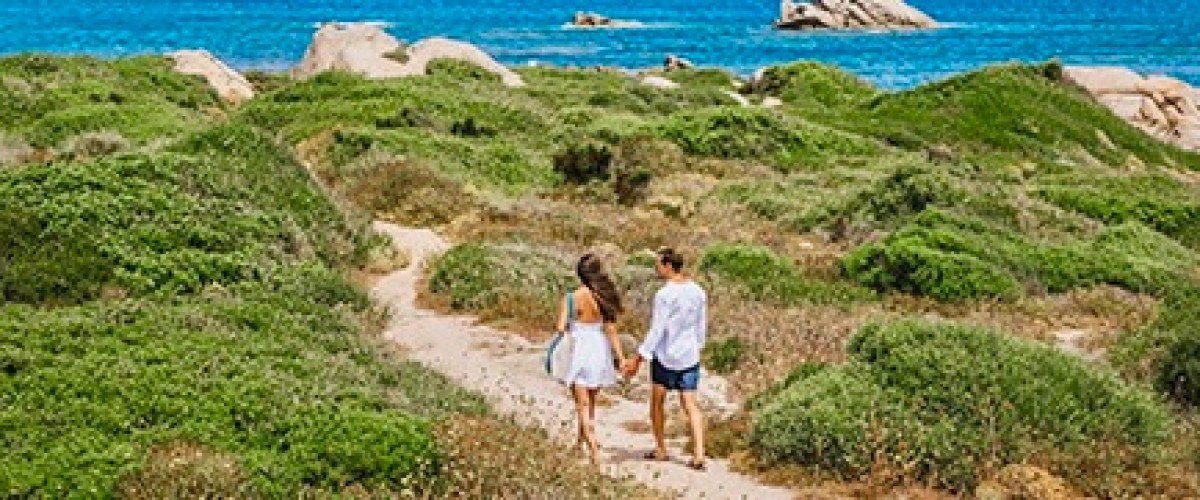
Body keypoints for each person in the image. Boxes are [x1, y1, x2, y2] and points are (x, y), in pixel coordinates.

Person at [621, 248, 708, 470]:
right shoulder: (698, 291)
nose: (656, 268)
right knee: (690, 404)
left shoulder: (664, 295)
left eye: (659, 264)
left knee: (657, 401)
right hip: (689, 354)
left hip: (666, 354)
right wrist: (698, 346)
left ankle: (661, 448)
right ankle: (699, 452)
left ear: (668, 266)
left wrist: (639, 358)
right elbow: (701, 325)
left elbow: (657, 330)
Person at [557, 253, 627, 465]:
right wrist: (621, 358)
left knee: (581, 405)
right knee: (591, 403)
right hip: (599, 349)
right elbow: (612, 331)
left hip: (579, 349)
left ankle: (593, 448)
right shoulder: (603, 297)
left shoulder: (571, 298)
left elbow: (560, 327)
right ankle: (580, 443)